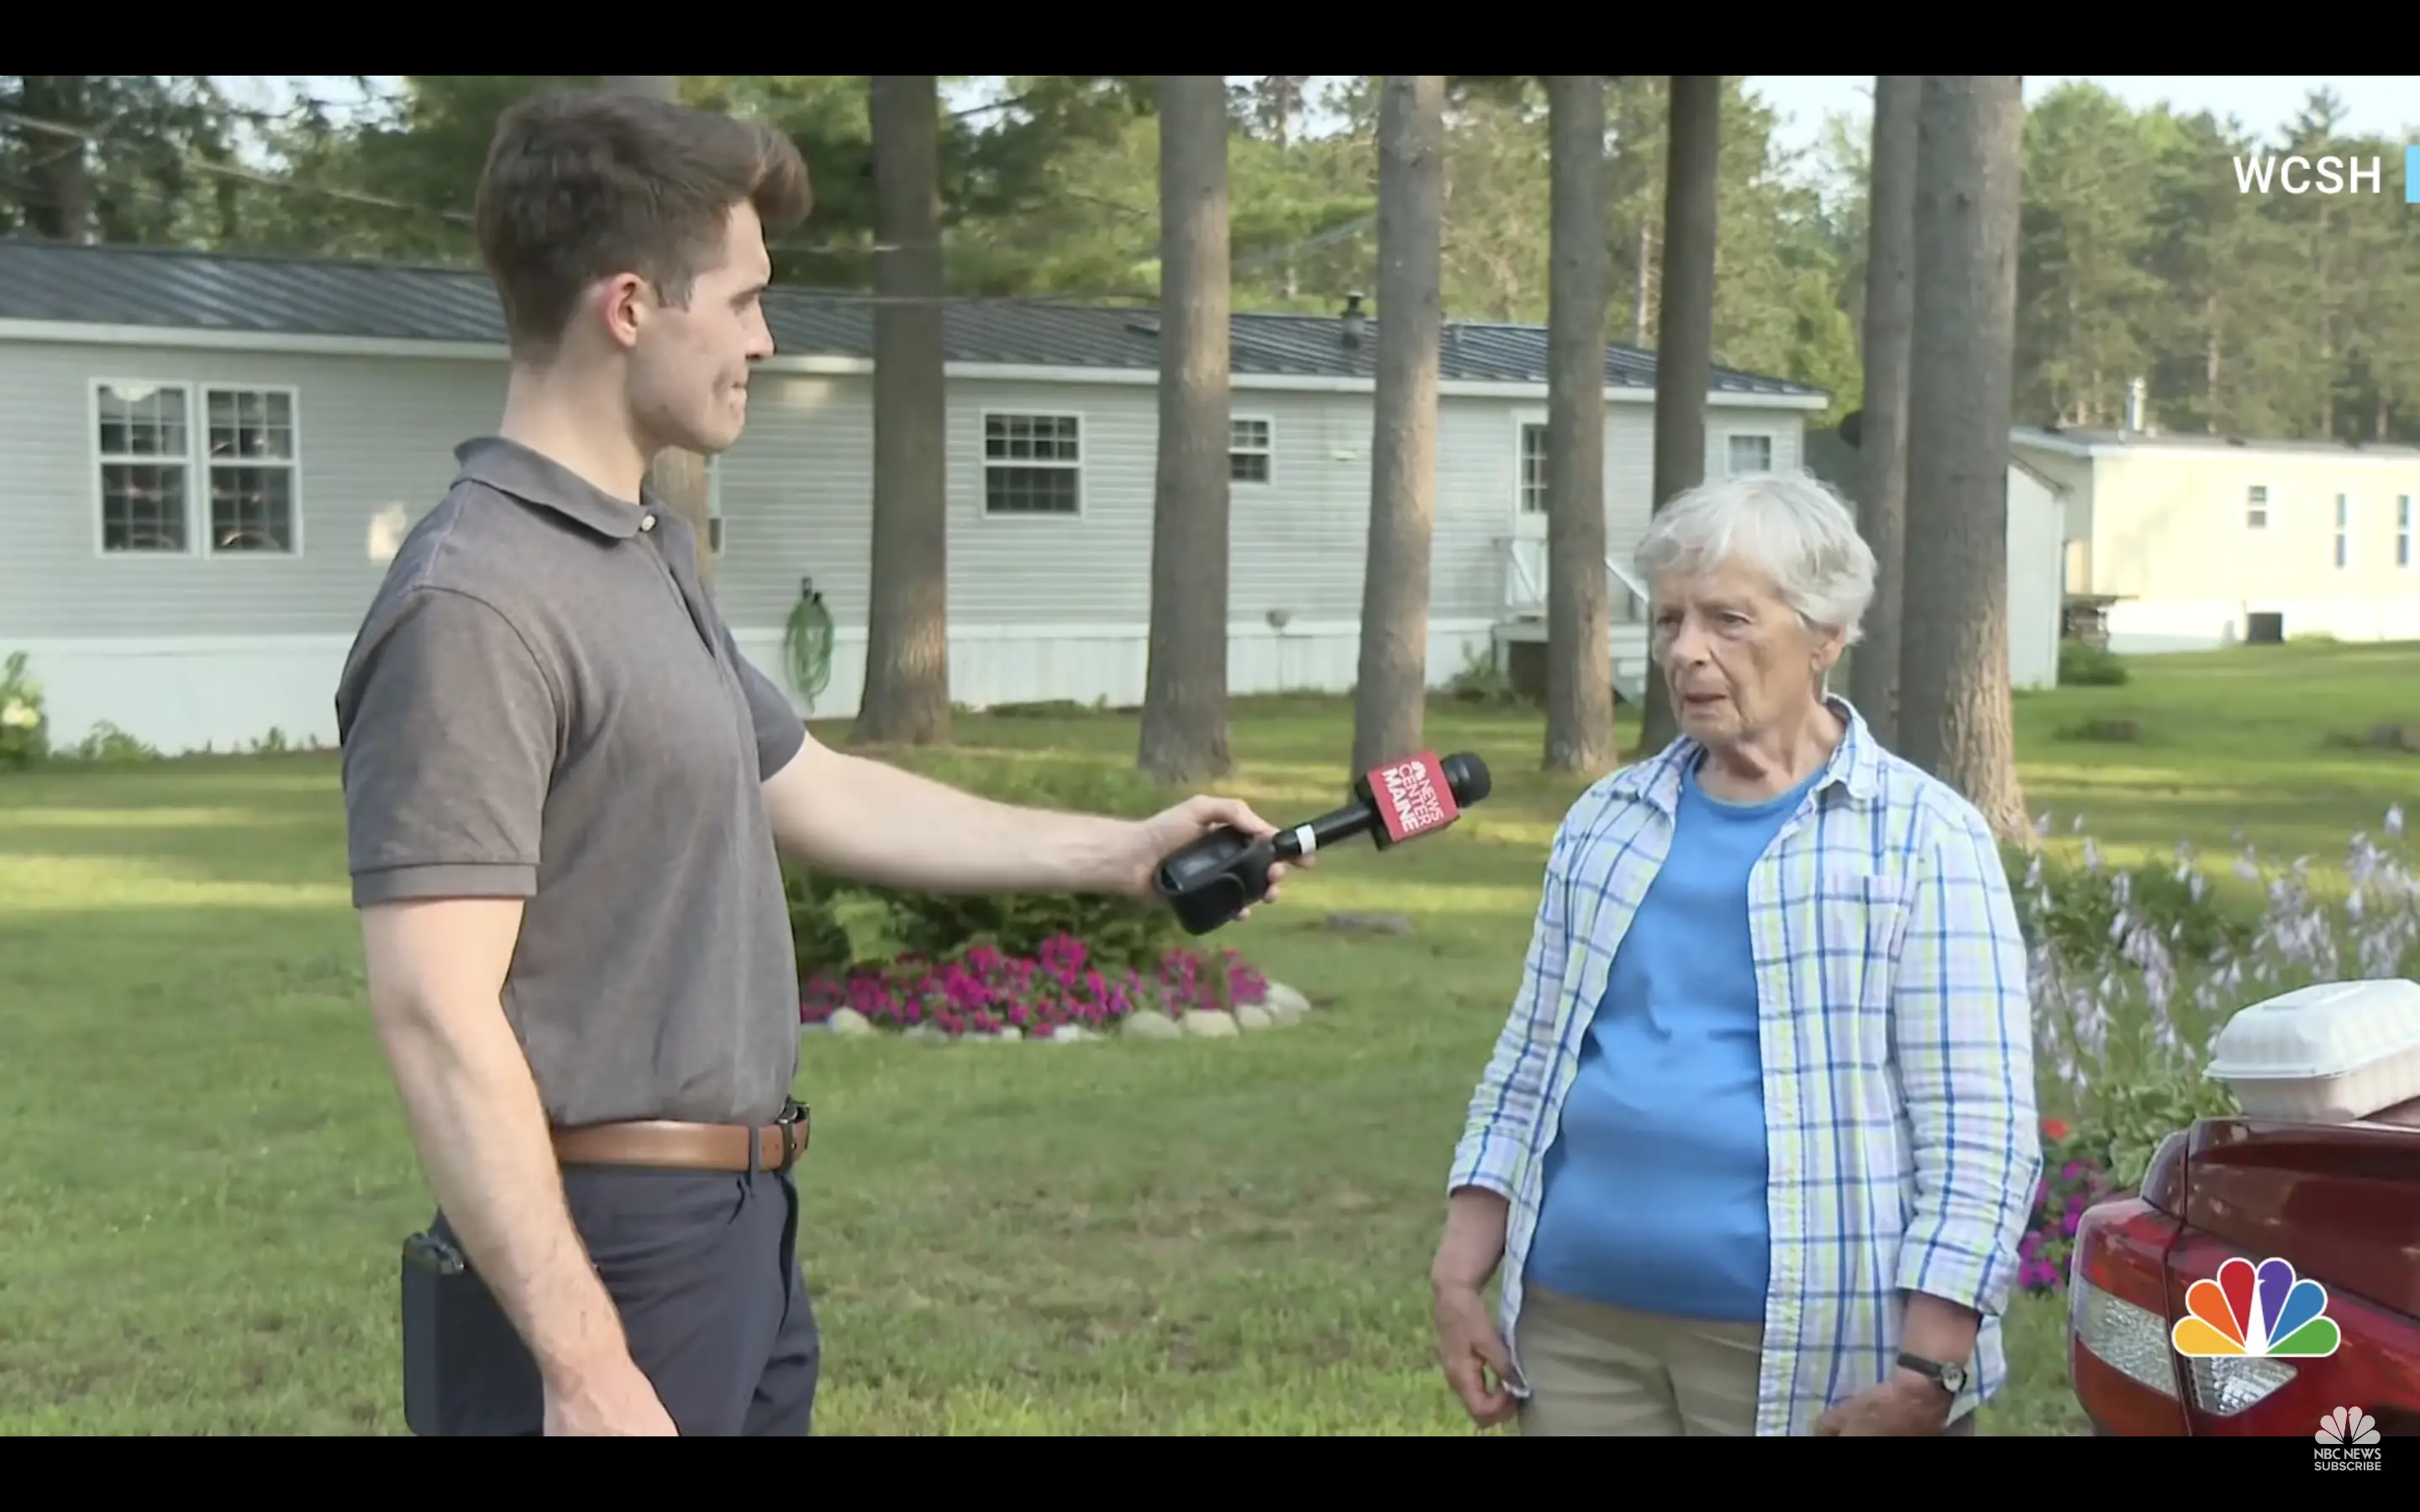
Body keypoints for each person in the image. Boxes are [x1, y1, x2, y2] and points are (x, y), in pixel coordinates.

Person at [336, 87, 1296, 1438]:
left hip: (733, 1235)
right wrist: (584, 1364)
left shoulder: (639, 553)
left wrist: (1118, 853)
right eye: (740, 302)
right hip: (603, 1247)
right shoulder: (478, 603)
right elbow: (437, 1012)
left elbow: (812, 784)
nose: (764, 339)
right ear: (629, 308)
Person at [1428, 470, 2039, 1437]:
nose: (1687, 653)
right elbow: (1530, 1062)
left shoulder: (1922, 838)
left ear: (1826, 635)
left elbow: (1981, 1130)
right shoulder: (1609, 822)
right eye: (1671, 621)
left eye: (1729, 621)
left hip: (1809, 1343)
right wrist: (1461, 1271)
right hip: (1578, 1328)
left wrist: (1933, 1365)